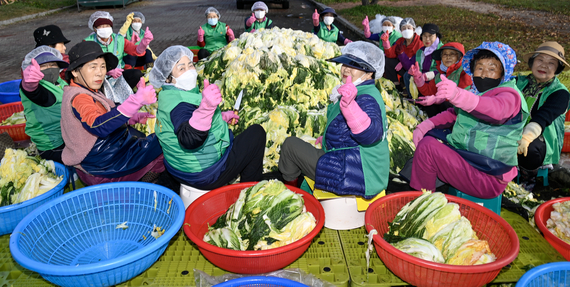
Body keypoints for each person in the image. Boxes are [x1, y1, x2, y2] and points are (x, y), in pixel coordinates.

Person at [411, 42, 528, 199]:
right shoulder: (477, 91)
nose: (484, 74)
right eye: (479, 68)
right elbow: (455, 113)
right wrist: (426, 125)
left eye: (492, 69)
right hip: (471, 161)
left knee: (428, 148)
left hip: (488, 175)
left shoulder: (510, 96)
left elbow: (495, 110)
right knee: (432, 137)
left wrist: (458, 96)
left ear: (503, 74)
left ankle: (422, 201)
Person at [279, 42, 388, 199]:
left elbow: (370, 134)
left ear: (370, 73)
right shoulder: (365, 90)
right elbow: (349, 127)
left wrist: (350, 106)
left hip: (358, 174)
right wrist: (329, 138)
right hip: (362, 167)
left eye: (356, 65)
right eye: (346, 63)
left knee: (290, 147)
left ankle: (291, 197)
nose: (346, 69)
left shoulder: (366, 98)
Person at [149, 46, 266, 190]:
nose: (189, 71)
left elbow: (191, 117)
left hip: (177, 169)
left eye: (190, 65)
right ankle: (249, 190)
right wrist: (207, 108)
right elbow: (189, 138)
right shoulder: (179, 106)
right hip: (204, 174)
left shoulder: (169, 95)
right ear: (168, 78)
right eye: (181, 69)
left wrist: (220, 116)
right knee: (257, 134)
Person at [61, 41, 164, 185]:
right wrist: (135, 101)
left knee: (153, 141)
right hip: (104, 163)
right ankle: (145, 184)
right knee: (164, 142)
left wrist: (132, 117)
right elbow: (99, 125)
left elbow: (105, 113)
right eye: (93, 67)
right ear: (75, 71)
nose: (100, 72)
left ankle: (145, 183)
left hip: (107, 153)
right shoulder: (79, 97)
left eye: (102, 66)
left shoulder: (87, 90)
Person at [516, 41, 570, 172]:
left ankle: (529, 177)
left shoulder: (560, 93)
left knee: (530, 149)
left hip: (540, 139)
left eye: (551, 63)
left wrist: (526, 137)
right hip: (513, 130)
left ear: (557, 69)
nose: (544, 65)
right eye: (540, 60)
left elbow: (543, 117)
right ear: (532, 62)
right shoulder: (517, 82)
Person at [19, 46, 69, 163]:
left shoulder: (60, 82)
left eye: (53, 65)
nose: (49, 69)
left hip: (66, 137)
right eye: (43, 66)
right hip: (52, 144)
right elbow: (37, 94)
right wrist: (29, 86)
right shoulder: (37, 86)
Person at [408, 42, 472, 117]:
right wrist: (418, 78)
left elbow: (462, 96)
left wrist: (438, 99)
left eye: (452, 54)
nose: (448, 57)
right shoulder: (440, 74)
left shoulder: (464, 72)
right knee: (429, 106)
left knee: (445, 105)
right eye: (445, 54)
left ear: (459, 57)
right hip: (445, 111)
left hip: (461, 112)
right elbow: (429, 91)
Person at [84, 11, 154, 77]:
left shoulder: (119, 39)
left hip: (119, 73)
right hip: (98, 76)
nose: (105, 28)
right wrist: (107, 71)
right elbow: (86, 65)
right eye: (101, 26)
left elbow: (136, 50)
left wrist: (144, 43)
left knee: (136, 74)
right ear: (95, 28)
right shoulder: (88, 42)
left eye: (107, 25)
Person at [403, 23, 443, 95]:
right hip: (421, 76)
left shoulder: (442, 50)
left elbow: (444, 69)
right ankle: (413, 98)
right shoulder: (420, 51)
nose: (427, 39)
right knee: (407, 75)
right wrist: (413, 70)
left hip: (434, 77)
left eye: (430, 36)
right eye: (424, 36)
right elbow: (412, 63)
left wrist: (431, 74)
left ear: (437, 36)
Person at [383, 18, 422, 90]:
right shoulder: (400, 41)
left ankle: (408, 87)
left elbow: (419, 61)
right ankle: (395, 85)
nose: (406, 30)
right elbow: (391, 54)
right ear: (401, 30)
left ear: (413, 29)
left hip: (415, 69)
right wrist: (386, 43)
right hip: (403, 67)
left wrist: (404, 60)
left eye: (409, 28)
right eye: (404, 28)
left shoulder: (420, 42)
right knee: (388, 60)